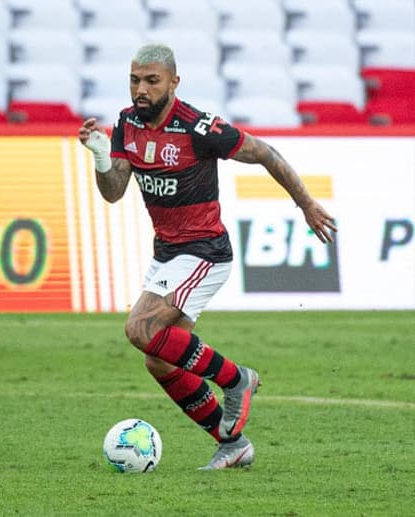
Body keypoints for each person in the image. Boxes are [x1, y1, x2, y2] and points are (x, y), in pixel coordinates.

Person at [78, 43, 337, 470]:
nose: (140, 89)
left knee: (139, 327)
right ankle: (232, 445)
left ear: (173, 83)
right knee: (158, 358)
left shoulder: (198, 128)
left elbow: (264, 153)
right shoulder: (127, 123)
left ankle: (238, 380)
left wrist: (305, 203)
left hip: (205, 252)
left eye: (151, 80)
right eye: (134, 79)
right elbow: (113, 192)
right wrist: (102, 156)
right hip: (167, 256)